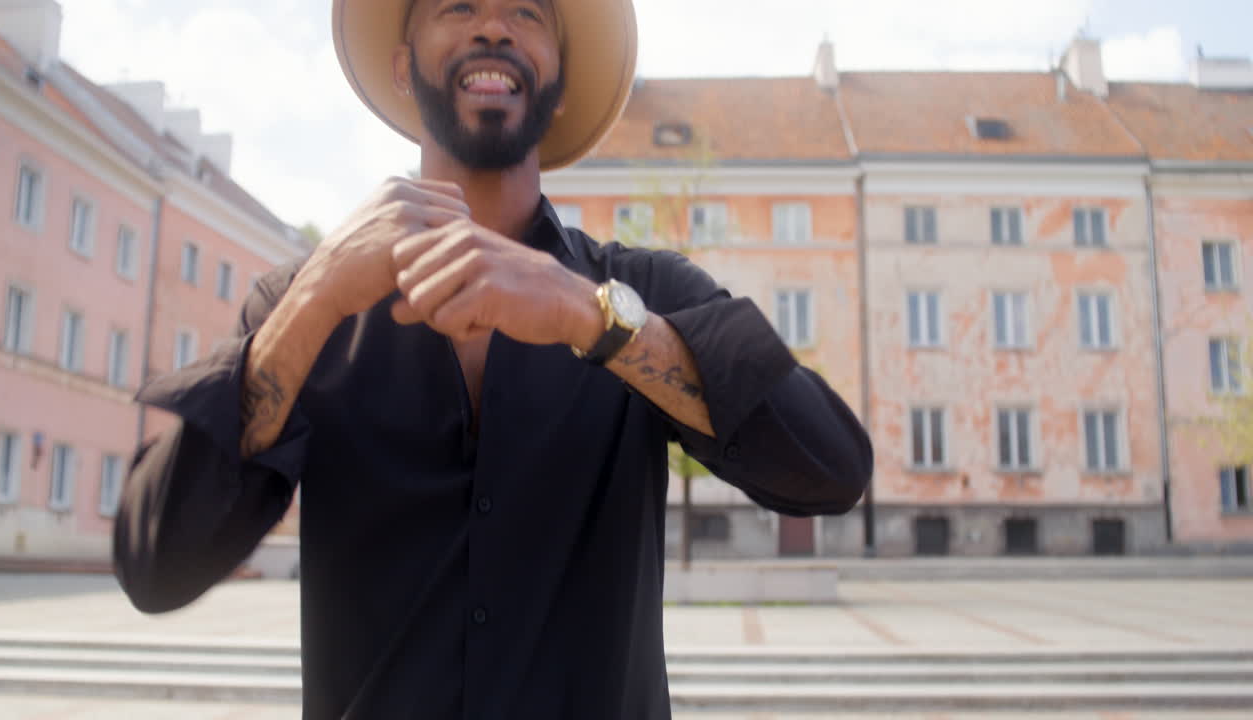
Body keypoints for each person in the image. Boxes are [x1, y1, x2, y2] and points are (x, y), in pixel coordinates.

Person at [114, 0, 873, 717]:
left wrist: (590, 316)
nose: (494, 29)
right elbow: (155, 564)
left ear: (561, 81)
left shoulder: (642, 293)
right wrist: (310, 306)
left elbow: (833, 467)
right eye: (459, 6)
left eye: (527, 12)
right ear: (405, 68)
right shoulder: (304, 304)